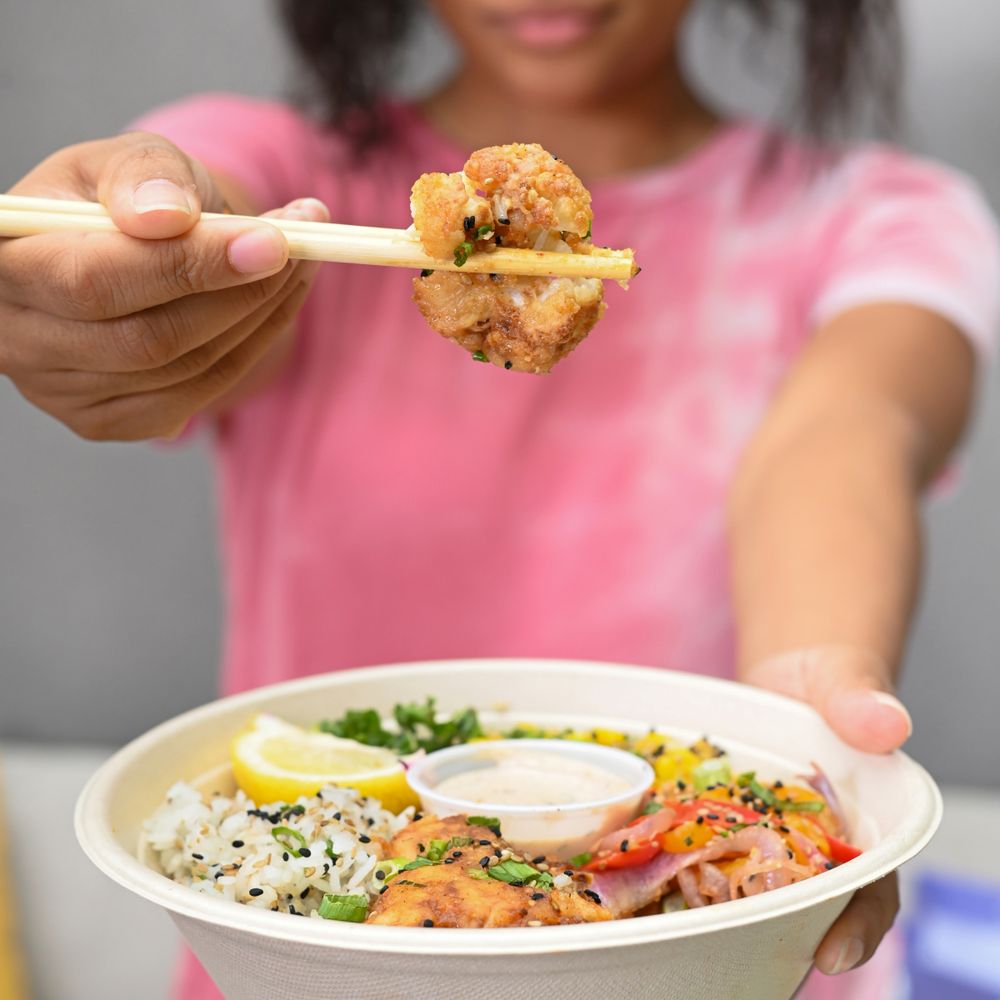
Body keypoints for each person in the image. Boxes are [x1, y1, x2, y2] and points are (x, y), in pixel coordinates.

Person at [1, 1, 996, 996]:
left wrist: (807, 699)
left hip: (718, 956)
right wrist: (131, 282)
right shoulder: (295, 180)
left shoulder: (884, 219)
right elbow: (203, 204)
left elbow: (841, 436)